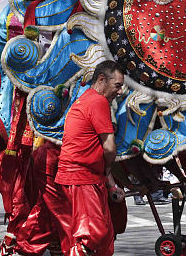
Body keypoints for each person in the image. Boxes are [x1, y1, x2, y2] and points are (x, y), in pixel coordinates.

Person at [56, 60, 125, 256]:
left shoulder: (88, 99)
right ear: (102, 79)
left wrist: (110, 184)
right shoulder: (98, 101)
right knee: (93, 234)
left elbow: (99, 152)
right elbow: (109, 147)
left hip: (86, 178)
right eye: (117, 85)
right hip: (80, 178)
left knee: (103, 239)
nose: (120, 91)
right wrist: (109, 173)